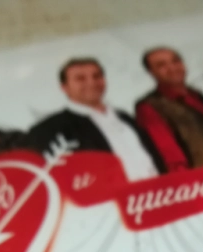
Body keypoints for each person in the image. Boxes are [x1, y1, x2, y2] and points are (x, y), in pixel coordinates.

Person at [27, 58, 164, 180]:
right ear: (64, 87)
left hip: (157, 193)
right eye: (80, 78)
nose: (92, 82)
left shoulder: (125, 117)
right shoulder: (50, 129)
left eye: (97, 76)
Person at [136, 47, 203, 172]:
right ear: (151, 72)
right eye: (162, 65)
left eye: (175, 61)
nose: (172, 68)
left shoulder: (196, 96)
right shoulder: (150, 107)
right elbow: (169, 156)